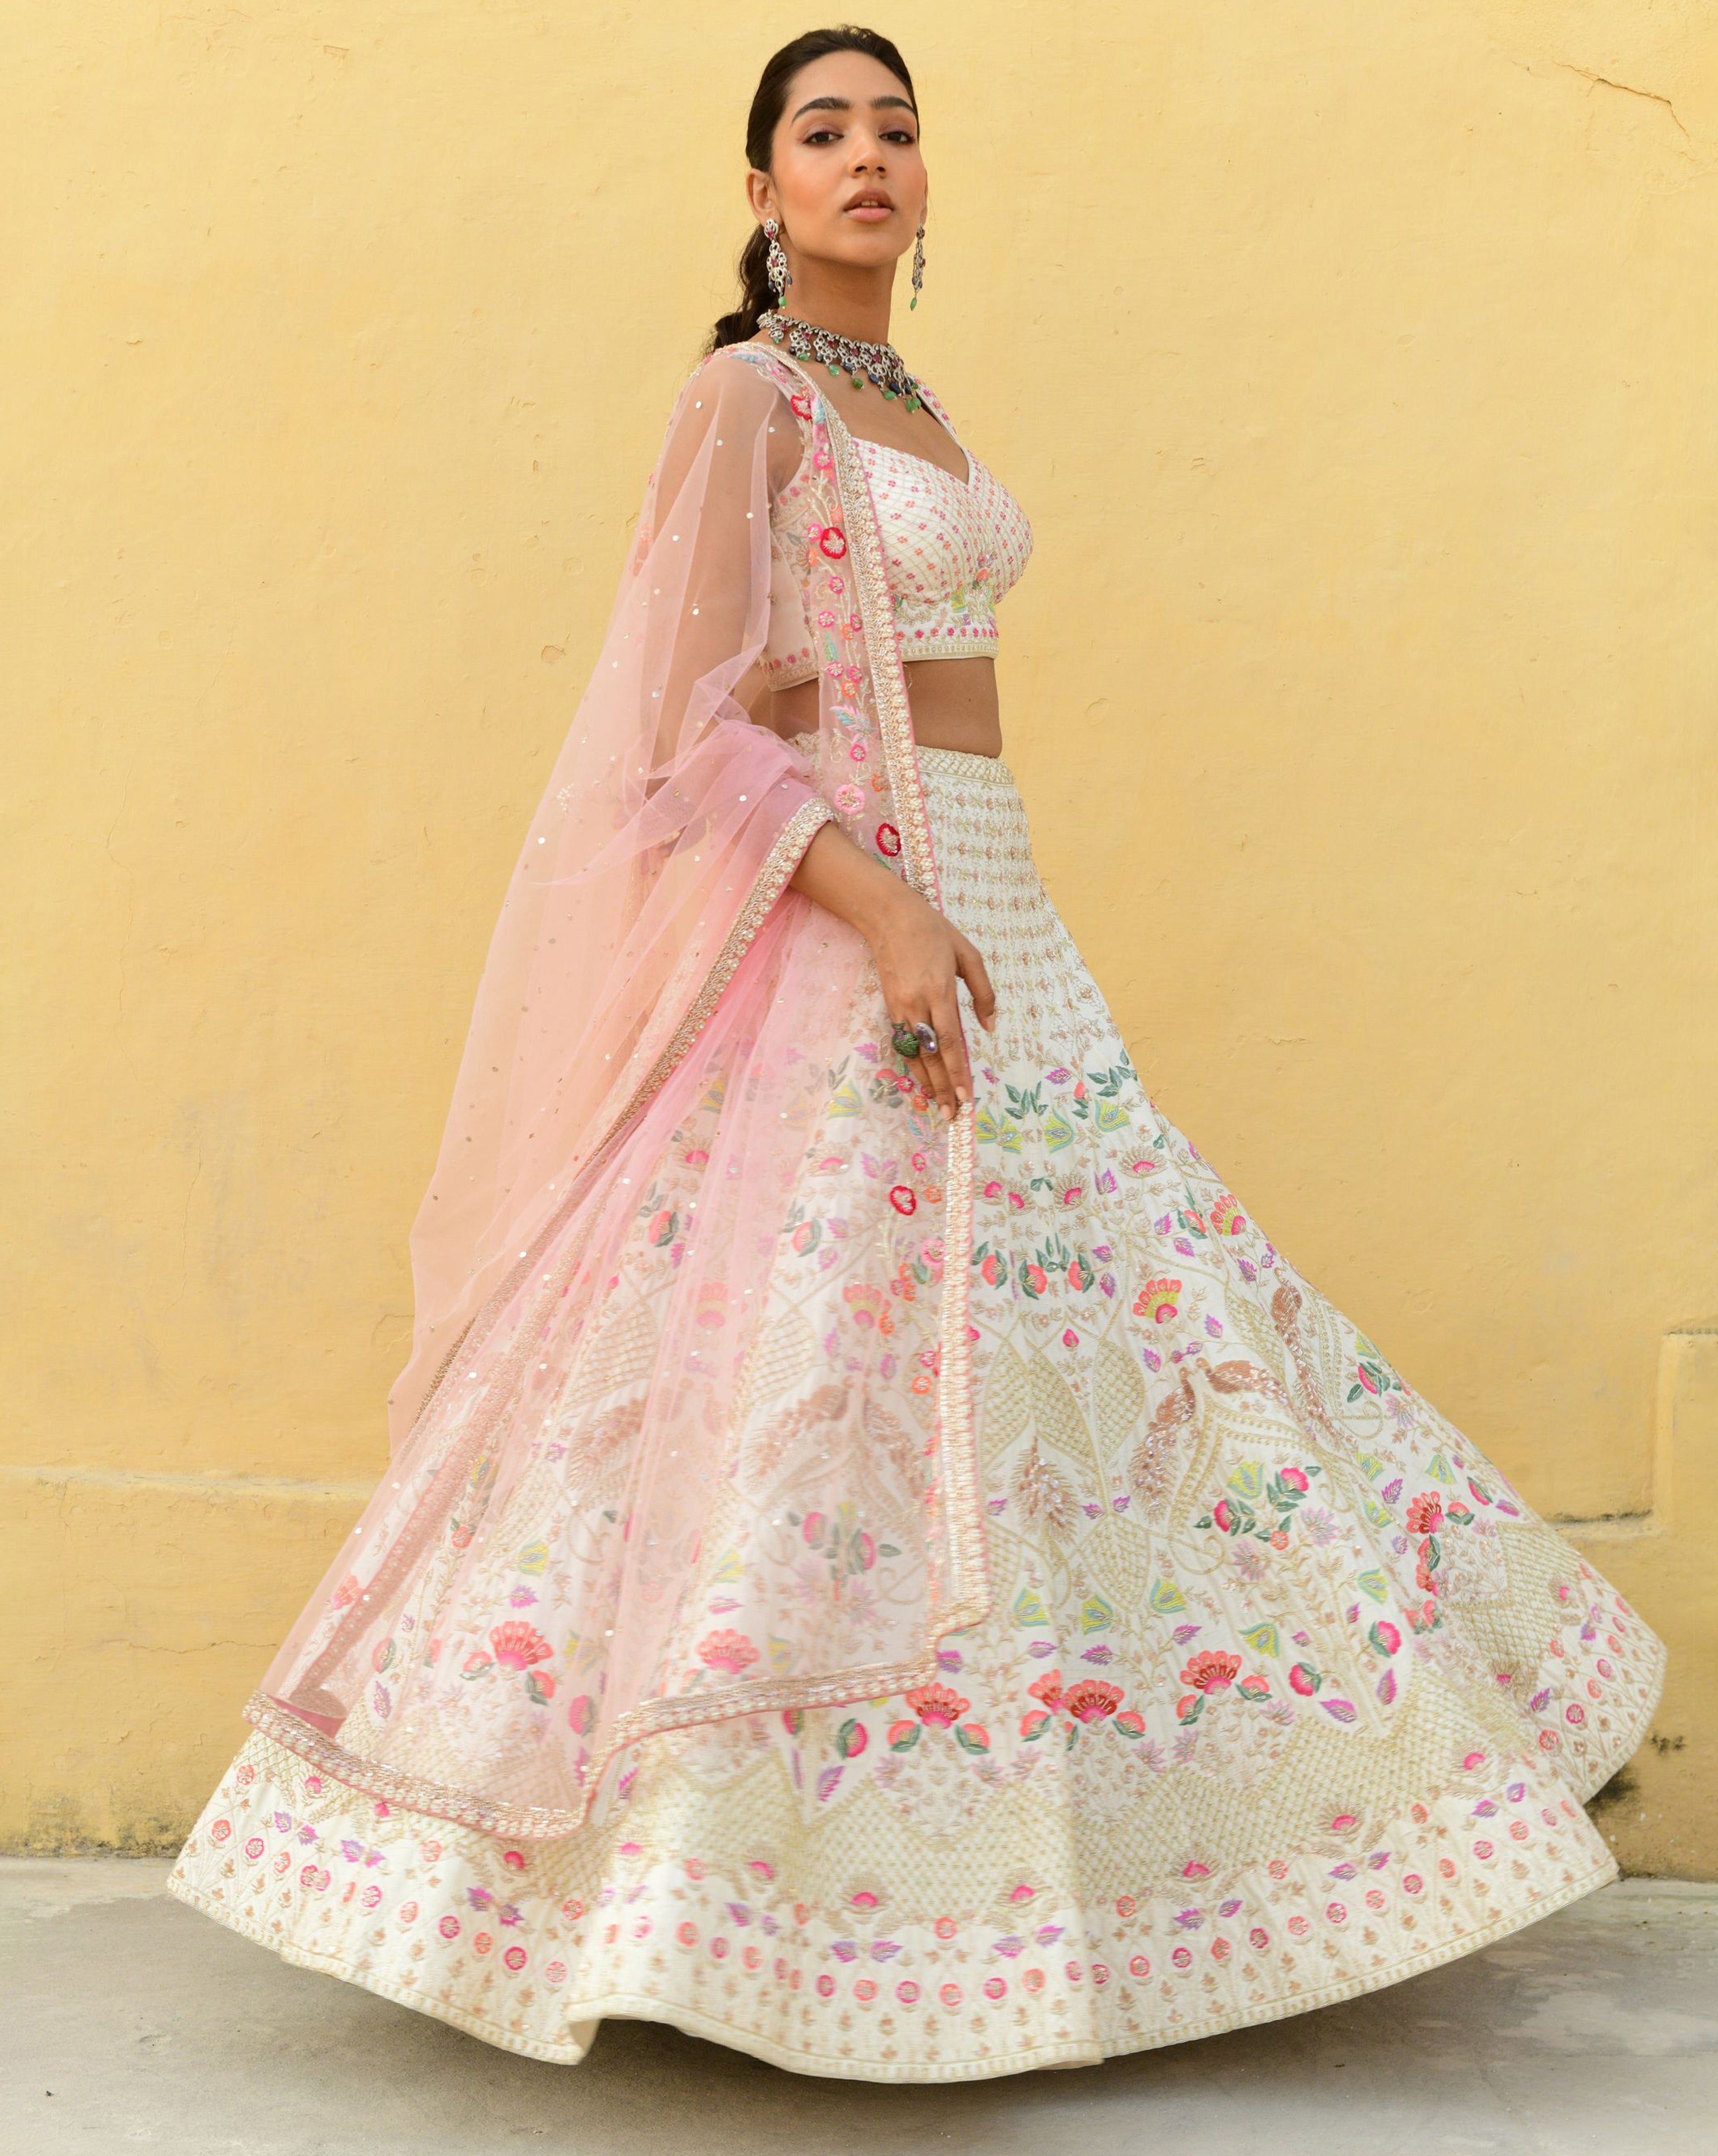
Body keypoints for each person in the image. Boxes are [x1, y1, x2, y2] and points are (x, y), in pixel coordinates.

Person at [169, 26, 1667, 2081]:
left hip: (997, 901)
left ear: (927, 183)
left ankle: (1057, 1882)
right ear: (762, 188)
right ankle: (709, 1897)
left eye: (896, 128)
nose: (867, 156)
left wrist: (954, 903)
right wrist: (879, 909)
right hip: (846, 927)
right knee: (823, 1377)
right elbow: (680, 736)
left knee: (1091, 1347)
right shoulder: (748, 399)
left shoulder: (917, 405)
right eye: (823, 131)